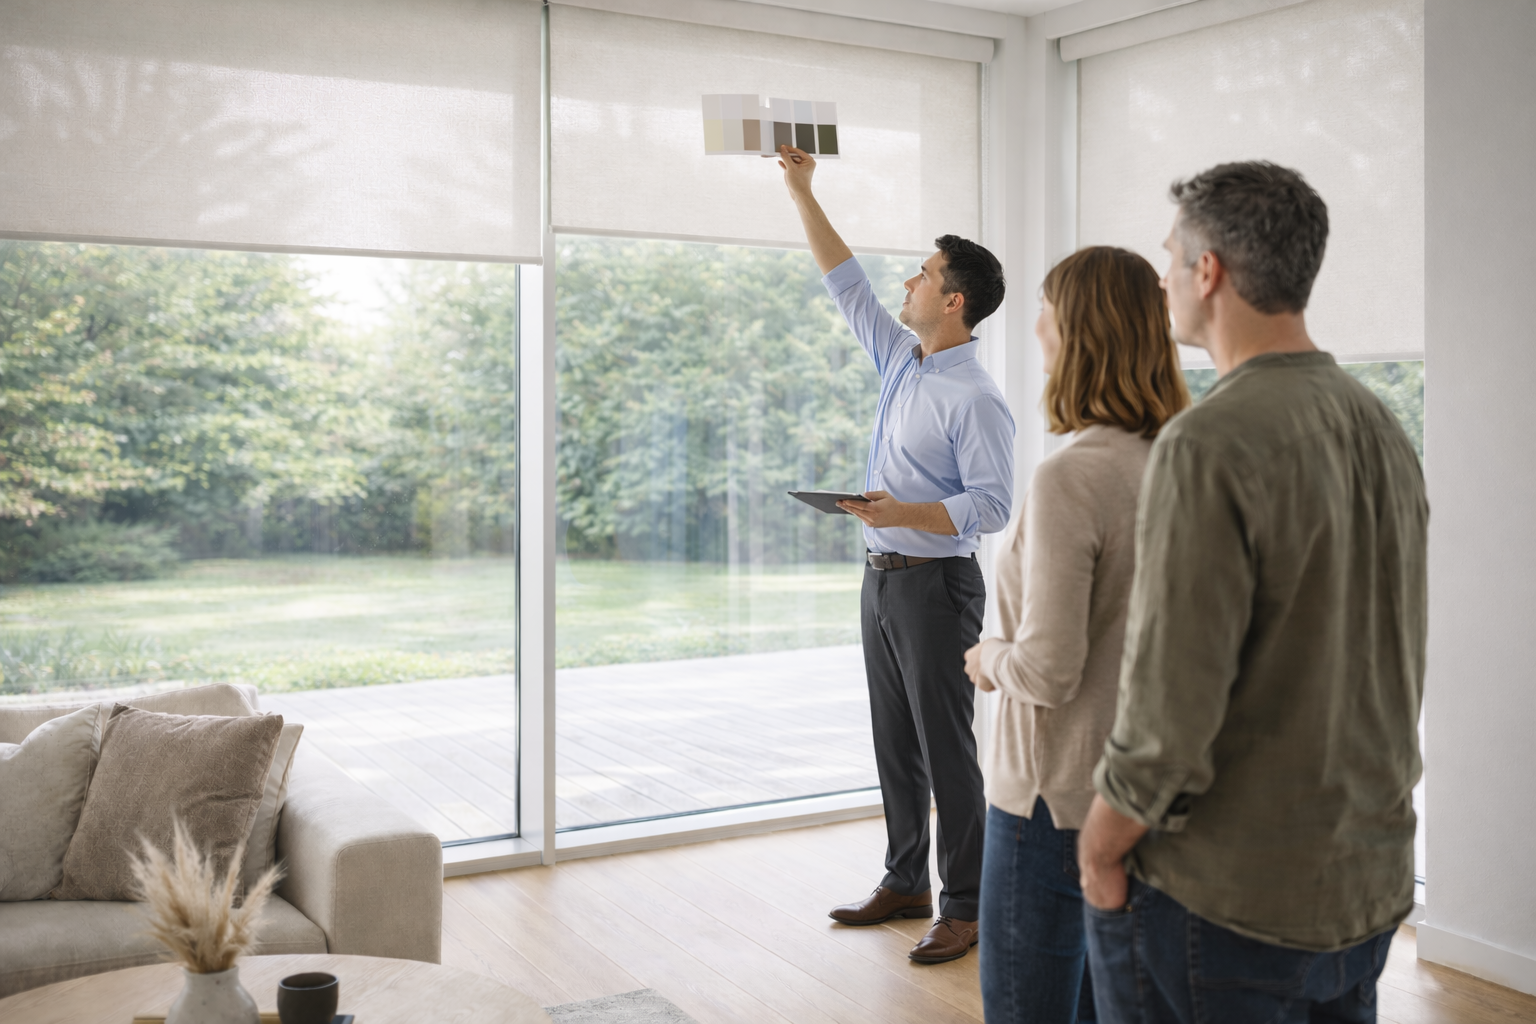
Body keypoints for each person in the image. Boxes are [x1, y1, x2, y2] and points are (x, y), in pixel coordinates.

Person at [1077, 161, 1428, 1023]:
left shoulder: (1207, 441)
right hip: (1364, 880)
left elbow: (1171, 701)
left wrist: (1101, 842)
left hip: (1230, 898)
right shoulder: (1381, 424)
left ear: (1209, 271)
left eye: (1170, 256)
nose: (1161, 278)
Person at [774, 144, 1014, 964]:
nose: (905, 283)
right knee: (893, 740)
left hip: (939, 587)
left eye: (921, 274)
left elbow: (991, 506)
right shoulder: (900, 364)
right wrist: (804, 192)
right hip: (880, 580)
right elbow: (843, 282)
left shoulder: (975, 397)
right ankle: (906, 879)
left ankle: (969, 905)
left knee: (949, 750)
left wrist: (898, 510)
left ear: (952, 300)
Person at [963, 247, 1190, 1023]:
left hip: (1049, 803)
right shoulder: (1185, 463)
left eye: (1047, 311)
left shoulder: (1072, 476)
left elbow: (1051, 670)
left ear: (1079, 333)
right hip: (1143, 796)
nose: (1034, 328)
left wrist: (989, 657)